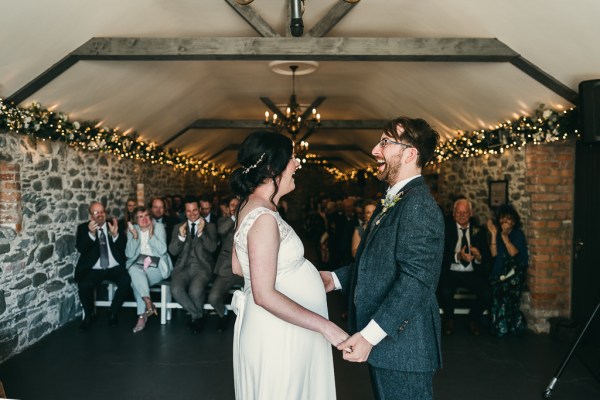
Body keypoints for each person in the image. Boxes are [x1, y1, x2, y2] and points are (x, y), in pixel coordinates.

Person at [321, 117, 445, 400]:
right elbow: (379, 262)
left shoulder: (419, 206)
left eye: (386, 143)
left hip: (405, 347)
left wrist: (368, 337)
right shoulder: (395, 199)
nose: (376, 150)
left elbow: (415, 282)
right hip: (391, 347)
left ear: (410, 154)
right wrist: (334, 279)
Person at [230, 130, 347, 400]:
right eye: (292, 158)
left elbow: (239, 267)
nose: (296, 164)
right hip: (279, 334)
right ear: (273, 168)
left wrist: (297, 273)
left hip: (285, 328)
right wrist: (326, 326)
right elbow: (263, 294)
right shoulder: (263, 218)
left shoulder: (252, 206)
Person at [438, 198, 491, 336]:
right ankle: (449, 319)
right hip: (451, 271)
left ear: (471, 214)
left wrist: (479, 257)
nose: (461, 215)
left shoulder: (479, 230)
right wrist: (458, 257)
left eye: (465, 213)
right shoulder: (445, 229)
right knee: (444, 290)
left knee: (487, 293)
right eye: (458, 212)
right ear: (453, 213)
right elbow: (439, 255)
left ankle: (473, 319)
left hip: (472, 272)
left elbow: (487, 257)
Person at [75, 202, 131, 330]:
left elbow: (124, 248)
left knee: (126, 280)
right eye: (96, 212)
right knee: (83, 284)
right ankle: (89, 315)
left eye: (102, 211)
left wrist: (116, 235)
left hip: (114, 267)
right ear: (91, 216)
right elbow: (81, 248)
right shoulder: (83, 228)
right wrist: (91, 234)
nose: (100, 214)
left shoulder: (114, 225)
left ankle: (113, 311)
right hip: (94, 268)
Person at [168, 197, 218, 333]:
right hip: (183, 268)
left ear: (199, 209)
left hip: (202, 269)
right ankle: (198, 315)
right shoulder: (178, 227)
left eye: (195, 210)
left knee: (195, 290)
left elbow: (213, 248)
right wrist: (181, 237)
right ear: (185, 211)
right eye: (188, 211)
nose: (192, 213)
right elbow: (172, 251)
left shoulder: (211, 227)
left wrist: (201, 233)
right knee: (175, 290)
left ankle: (195, 320)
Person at [125, 207, 173, 333]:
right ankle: (148, 302)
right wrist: (135, 237)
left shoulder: (159, 227)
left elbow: (163, 250)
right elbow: (129, 254)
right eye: (141, 217)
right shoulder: (133, 229)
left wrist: (151, 235)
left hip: (157, 266)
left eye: (146, 215)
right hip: (139, 266)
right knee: (134, 270)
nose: (145, 219)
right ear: (136, 220)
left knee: (135, 282)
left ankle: (141, 316)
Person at [487, 204, 529, 337]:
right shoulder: (499, 234)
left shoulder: (518, 234)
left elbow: (514, 254)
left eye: (508, 219)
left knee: (503, 290)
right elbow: (494, 254)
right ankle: (499, 325)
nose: (504, 221)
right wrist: (494, 234)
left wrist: (505, 237)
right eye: (502, 218)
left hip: (515, 273)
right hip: (501, 272)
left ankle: (509, 325)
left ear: (514, 221)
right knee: (496, 291)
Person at [208, 196, 243, 332]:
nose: (234, 207)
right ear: (228, 209)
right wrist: (235, 217)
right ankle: (223, 314)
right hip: (226, 269)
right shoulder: (223, 221)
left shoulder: (249, 220)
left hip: (247, 269)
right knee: (213, 297)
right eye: (232, 205)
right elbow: (221, 231)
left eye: (238, 205)